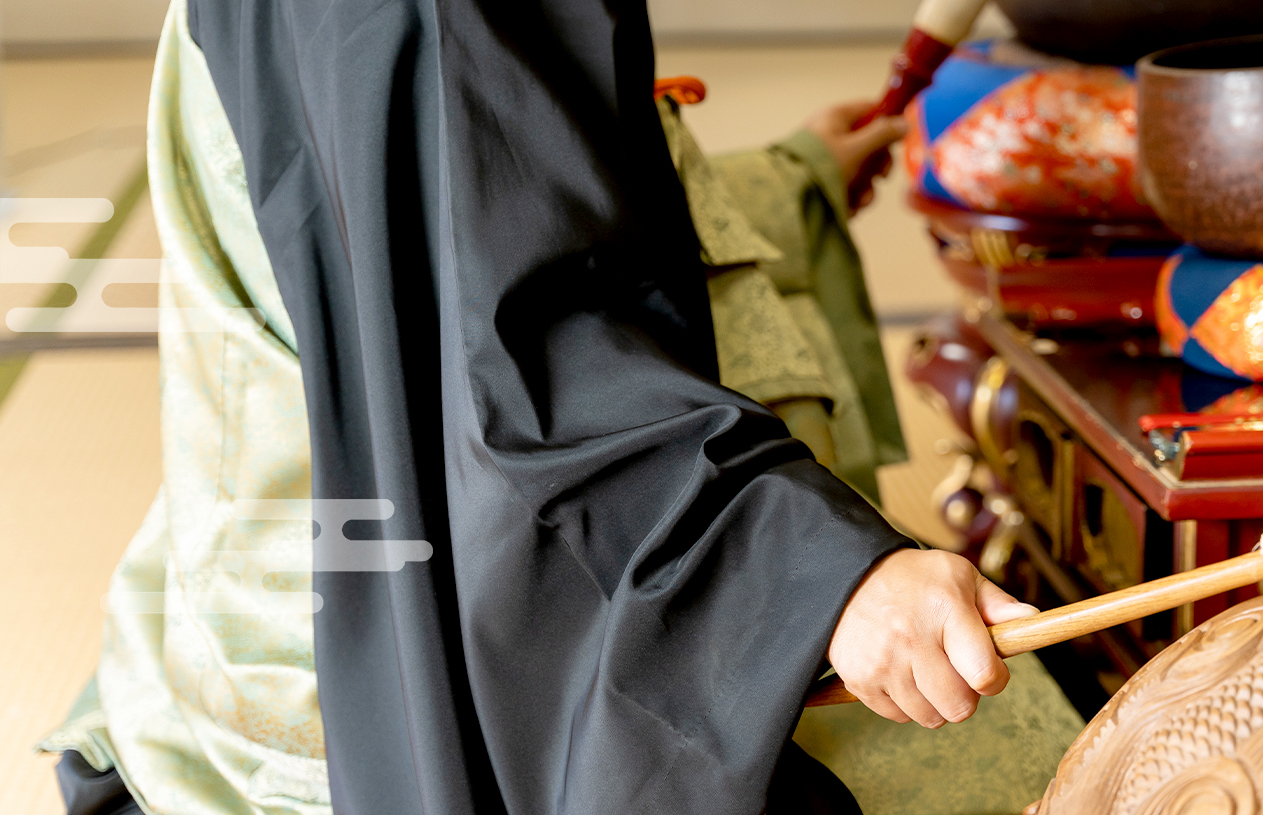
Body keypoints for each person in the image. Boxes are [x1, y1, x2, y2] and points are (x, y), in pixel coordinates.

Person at [38, 1, 1039, 813]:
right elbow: (519, 368)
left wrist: (786, 180)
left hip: (259, 587)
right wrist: (819, 575)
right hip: (359, 661)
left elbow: (450, 223)